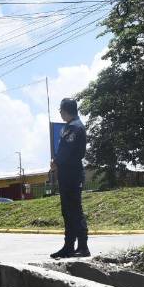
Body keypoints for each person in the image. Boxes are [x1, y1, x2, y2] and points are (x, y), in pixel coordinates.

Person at [50, 97, 89, 258]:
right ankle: (69, 246)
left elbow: (68, 151)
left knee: (75, 210)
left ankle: (83, 246)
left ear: (66, 110)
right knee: (67, 211)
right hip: (66, 174)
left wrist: (56, 162)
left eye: (61, 110)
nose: (60, 113)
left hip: (72, 174)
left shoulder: (75, 127)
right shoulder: (69, 126)